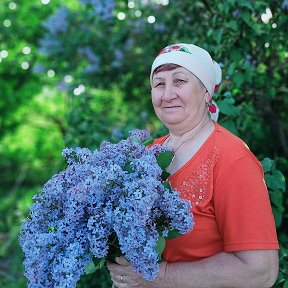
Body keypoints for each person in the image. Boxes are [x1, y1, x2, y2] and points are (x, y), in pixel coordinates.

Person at [107, 43, 279, 287]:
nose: (167, 95)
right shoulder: (145, 155)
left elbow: (260, 271)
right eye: (159, 84)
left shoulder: (232, 159)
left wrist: (159, 277)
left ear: (206, 92)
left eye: (179, 81)